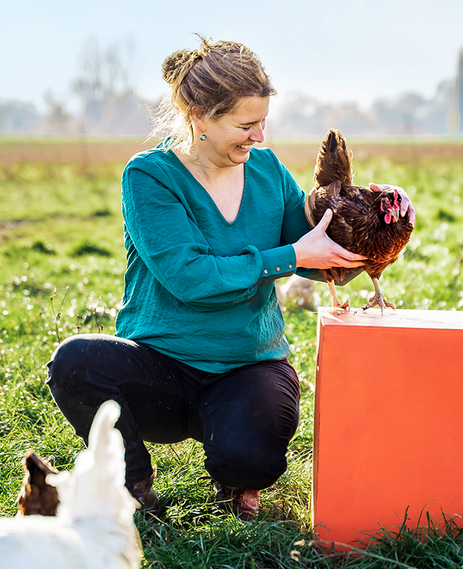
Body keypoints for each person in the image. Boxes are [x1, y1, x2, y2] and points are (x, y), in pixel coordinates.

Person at [47, 37, 412, 519]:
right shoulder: (150, 177)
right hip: (163, 367)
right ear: (199, 116)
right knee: (76, 361)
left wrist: (369, 231)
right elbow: (189, 277)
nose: (259, 136)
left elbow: (315, 256)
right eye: (245, 125)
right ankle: (131, 483)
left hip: (248, 364)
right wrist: (286, 256)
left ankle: (234, 474)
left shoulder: (266, 170)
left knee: (250, 458)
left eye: (263, 121)